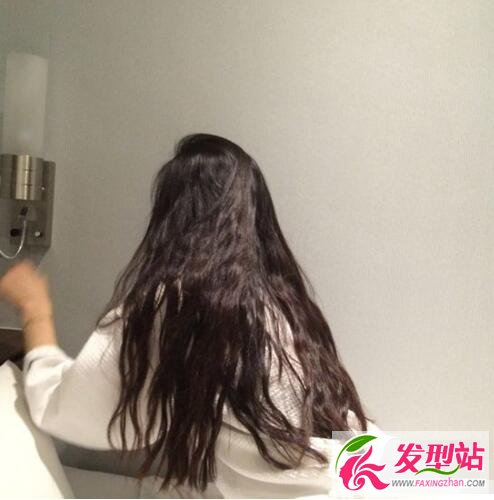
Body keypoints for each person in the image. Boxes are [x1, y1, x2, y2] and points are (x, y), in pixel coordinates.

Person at [0, 133, 375, 498]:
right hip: (374, 469)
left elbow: (71, 410)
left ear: (173, 219)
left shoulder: (178, 307)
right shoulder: (284, 302)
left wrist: (35, 309)